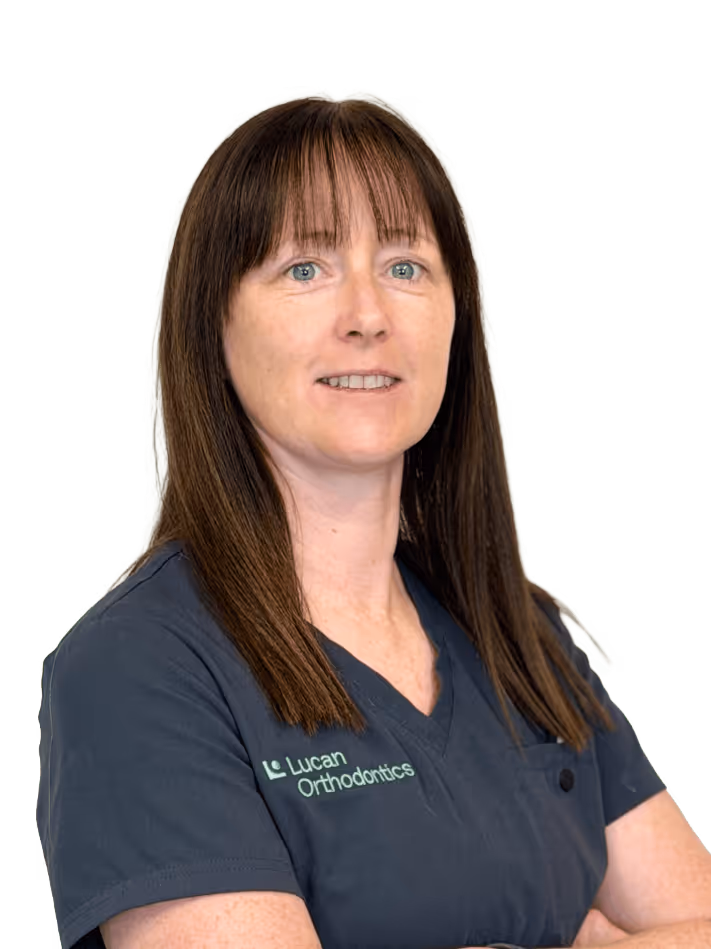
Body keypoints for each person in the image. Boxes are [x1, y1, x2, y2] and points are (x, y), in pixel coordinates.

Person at [35, 87, 710, 949]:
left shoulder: (520, 639)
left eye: (405, 267)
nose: (367, 316)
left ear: (457, 319)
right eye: (304, 269)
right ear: (214, 326)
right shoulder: (139, 671)